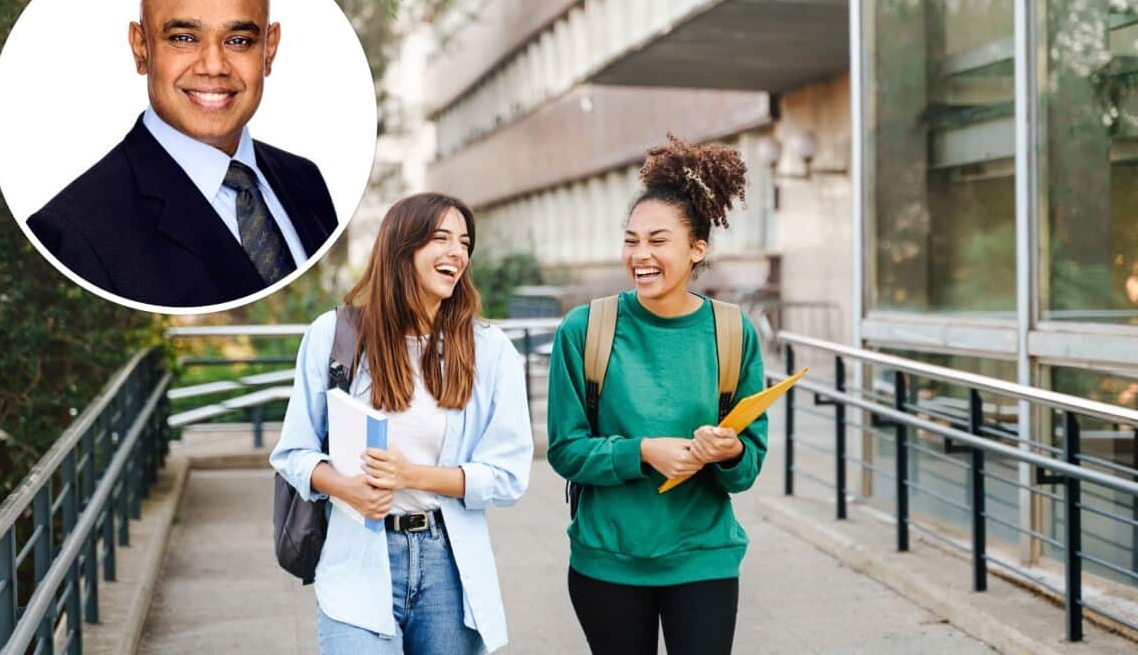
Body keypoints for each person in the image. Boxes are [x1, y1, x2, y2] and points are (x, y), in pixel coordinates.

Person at [270, 192, 532, 655]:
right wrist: (345, 486)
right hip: (357, 562)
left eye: (465, 242)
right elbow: (293, 453)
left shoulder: (490, 351)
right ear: (400, 248)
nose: (458, 253)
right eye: (441, 238)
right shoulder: (334, 337)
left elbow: (509, 477)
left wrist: (412, 476)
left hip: (449, 567)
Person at [546, 135, 767, 655]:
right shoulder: (585, 329)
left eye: (657, 240)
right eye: (631, 239)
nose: (640, 254)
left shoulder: (734, 333)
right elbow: (565, 450)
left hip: (704, 556)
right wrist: (643, 452)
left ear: (696, 250)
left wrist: (728, 450)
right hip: (608, 560)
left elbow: (749, 463)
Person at [26, 0, 336, 308]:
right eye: (184, 38)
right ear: (141, 48)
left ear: (269, 50)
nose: (213, 65)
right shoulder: (73, 233)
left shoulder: (306, 181)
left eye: (238, 41)